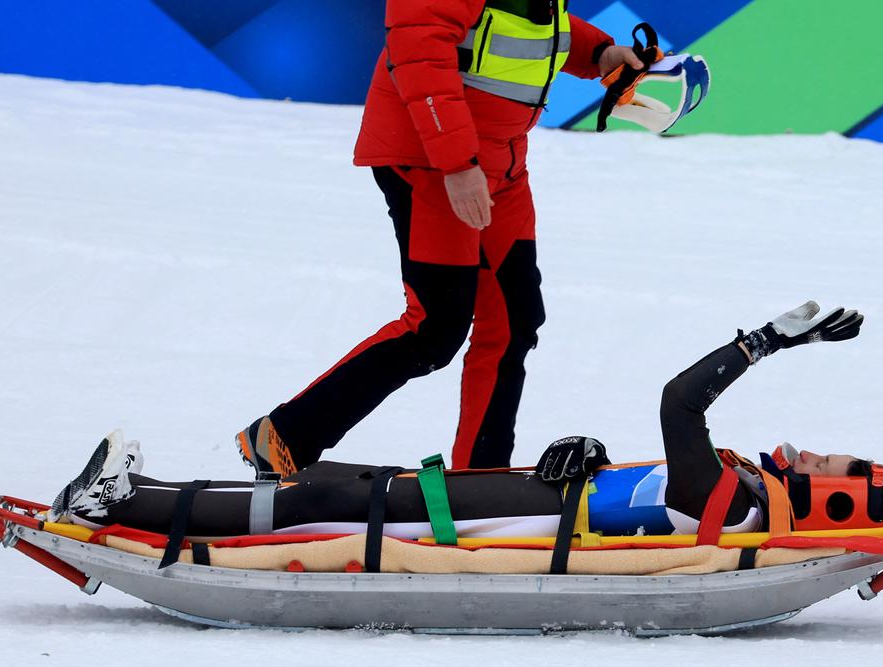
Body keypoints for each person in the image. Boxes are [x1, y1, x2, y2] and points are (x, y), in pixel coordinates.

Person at [235, 2, 652, 478]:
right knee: (433, 328)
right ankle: (283, 438)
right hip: (432, 161)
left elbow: (529, 24)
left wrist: (598, 52)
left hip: (500, 162)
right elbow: (418, 49)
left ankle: (481, 478)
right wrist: (457, 164)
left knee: (514, 321)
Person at [52, 302, 882, 540]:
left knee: (319, 501)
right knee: (329, 486)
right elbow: (645, 488)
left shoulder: (735, 505)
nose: (809, 453)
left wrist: (764, 342)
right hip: (529, 499)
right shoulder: (730, 491)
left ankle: (119, 507)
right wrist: (591, 455)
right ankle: (136, 493)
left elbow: (678, 404)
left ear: (822, 503)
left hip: (511, 519)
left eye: (823, 467)